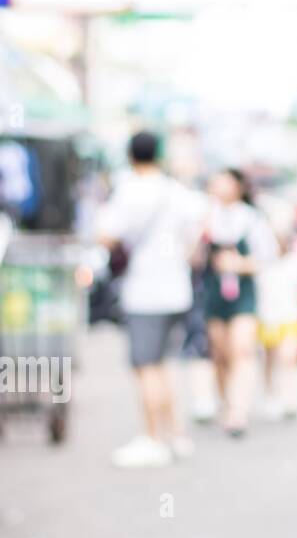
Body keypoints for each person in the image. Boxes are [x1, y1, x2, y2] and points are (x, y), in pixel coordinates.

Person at [97, 131, 206, 468]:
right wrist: (185, 254)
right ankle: (176, 434)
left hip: (144, 292)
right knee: (164, 364)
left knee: (146, 367)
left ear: (131, 155)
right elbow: (200, 224)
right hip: (176, 289)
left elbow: (105, 235)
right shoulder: (175, 190)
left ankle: (152, 438)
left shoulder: (128, 190)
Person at [199, 168, 277, 438]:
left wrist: (239, 264)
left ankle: (238, 411)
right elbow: (192, 257)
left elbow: (268, 257)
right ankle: (226, 401)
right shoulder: (205, 216)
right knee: (220, 353)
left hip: (243, 294)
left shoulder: (251, 219)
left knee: (243, 349)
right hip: (213, 293)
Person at [255, 192, 297, 421]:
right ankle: (270, 395)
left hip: (292, 316)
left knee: (289, 358)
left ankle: (290, 398)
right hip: (267, 316)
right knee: (269, 357)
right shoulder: (261, 260)